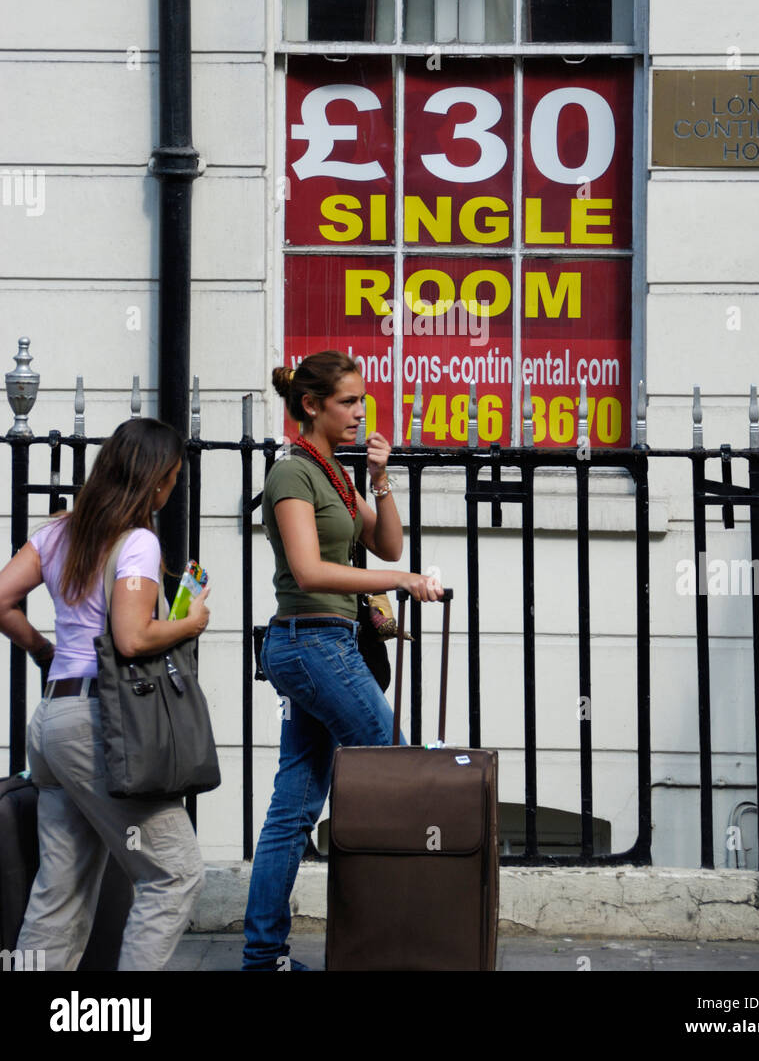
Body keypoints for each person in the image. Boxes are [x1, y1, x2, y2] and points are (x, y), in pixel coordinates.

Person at [242, 350, 443, 971]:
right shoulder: (291, 475)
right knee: (398, 770)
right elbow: (307, 569)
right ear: (312, 405)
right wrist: (403, 581)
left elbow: (384, 541)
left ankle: (262, 957)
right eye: (348, 402)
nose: (361, 412)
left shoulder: (334, 473)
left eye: (361, 401)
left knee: (293, 808)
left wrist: (380, 476)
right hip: (310, 642)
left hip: (326, 644)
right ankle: (399, 940)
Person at [0, 417, 211, 971]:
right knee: (174, 873)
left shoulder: (56, 532)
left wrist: (45, 652)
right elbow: (133, 636)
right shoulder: (137, 542)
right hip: (99, 726)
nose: (170, 489)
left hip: (52, 722)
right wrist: (191, 622)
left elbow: (0, 599)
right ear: (156, 480)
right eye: (171, 478)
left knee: (59, 891)